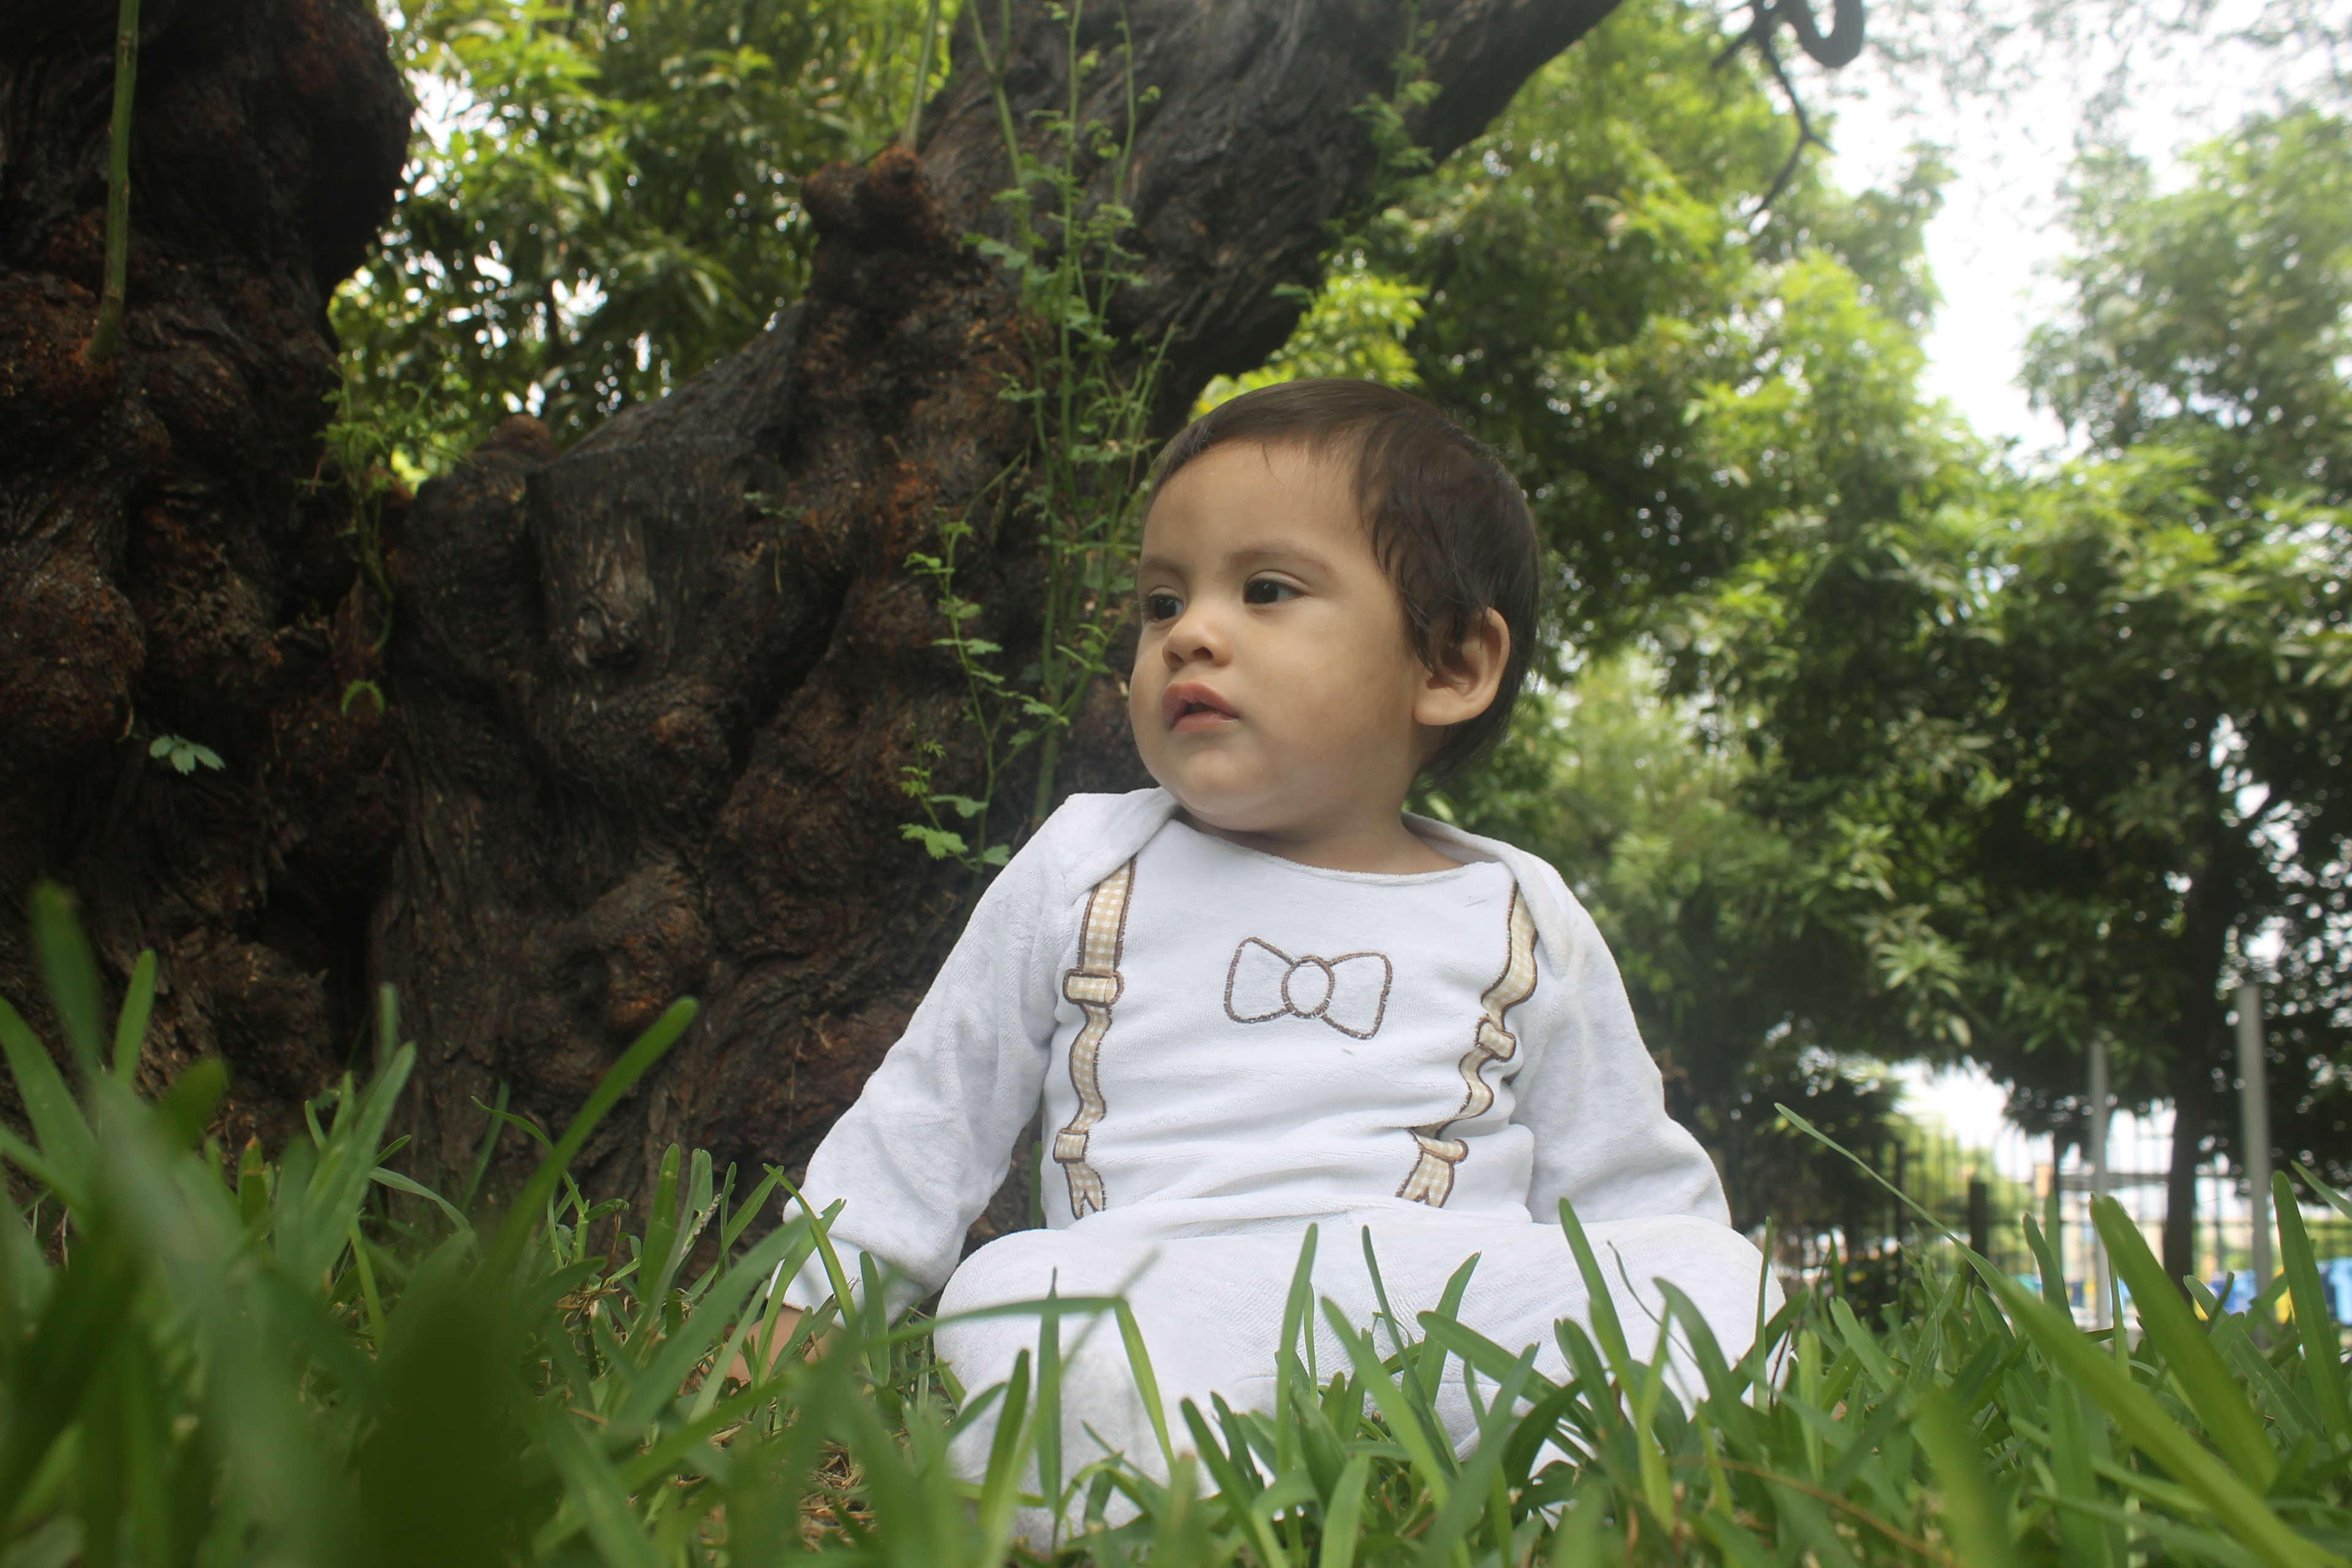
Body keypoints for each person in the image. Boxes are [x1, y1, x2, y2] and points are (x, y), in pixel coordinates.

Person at [764, 378, 1778, 1518]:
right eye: (1161, 602)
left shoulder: (1517, 908)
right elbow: (930, 1114)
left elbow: (1624, 1180)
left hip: (1445, 1313)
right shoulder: (1088, 862)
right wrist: (811, 1310)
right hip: (1156, 1292)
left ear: (1450, 664)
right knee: (1020, 1296)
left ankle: (1594, 1507)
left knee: (1710, 1276)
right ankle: (1169, 1509)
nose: (1190, 634)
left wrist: (1691, 1297)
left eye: (1266, 590)